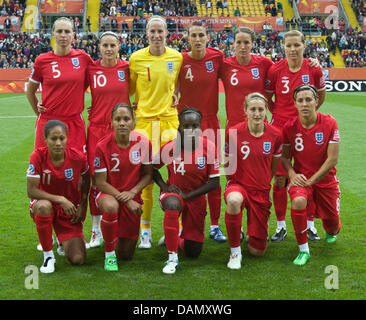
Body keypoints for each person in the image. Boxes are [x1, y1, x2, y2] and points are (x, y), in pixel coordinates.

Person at [265, 30, 326, 242]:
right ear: (283, 47)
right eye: (288, 46)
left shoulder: (313, 69)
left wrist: (306, 115)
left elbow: (320, 96)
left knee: (307, 175)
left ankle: (310, 225)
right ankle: (281, 226)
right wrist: (278, 115)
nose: (292, 49)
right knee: (281, 177)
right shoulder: (275, 70)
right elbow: (267, 97)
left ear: (303, 45)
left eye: (296, 45)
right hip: (281, 127)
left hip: (303, 127)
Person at [129, 16, 183, 249]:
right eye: (153, 31)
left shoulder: (177, 57)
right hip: (144, 123)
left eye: (161, 31)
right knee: (146, 178)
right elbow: (128, 89)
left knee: (176, 173)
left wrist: (177, 93)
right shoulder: (136, 58)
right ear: (147, 33)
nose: (157, 35)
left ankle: (177, 228)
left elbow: (179, 82)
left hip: (169, 122)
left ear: (167, 33)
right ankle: (146, 231)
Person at [153, 107, 220, 274]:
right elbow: (150, 168)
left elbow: (215, 182)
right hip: (173, 194)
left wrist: (188, 195)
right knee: (173, 203)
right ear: (179, 127)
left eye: (195, 126)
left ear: (201, 127)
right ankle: (172, 259)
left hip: (195, 198)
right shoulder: (170, 147)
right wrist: (164, 186)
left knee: (193, 252)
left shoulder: (209, 147)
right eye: (186, 126)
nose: (191, 130)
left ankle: (174, 236)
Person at [177, 21, 226, 242]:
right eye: (193, 35)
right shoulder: (179, 61)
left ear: (208, 37)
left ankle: (215, 226)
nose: (197, 39)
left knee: (214, 176)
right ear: (187, 38)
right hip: (184, 127)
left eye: (201, 35)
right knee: (182, 176)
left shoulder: (217, 57)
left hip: (210, 123)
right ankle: (179, 226)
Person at [282, 85, 341, 266]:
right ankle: (303, 250)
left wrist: (313, 180)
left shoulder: (330, 123)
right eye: (300, 100)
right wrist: (292, 174)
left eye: (308, 99)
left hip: (325, 180)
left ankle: (331, 229)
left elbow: (332, 159)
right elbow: (284, 158)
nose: (305, 104)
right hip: (301, 179)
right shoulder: (289, 127)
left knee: (332, 226)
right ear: (295, 104)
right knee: (298, 201)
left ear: (317, 101)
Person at [224, 93, 282, 269]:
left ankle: (252, 231)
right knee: (234, 200)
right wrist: (234, 181)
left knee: (257, 252)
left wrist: (263, 180)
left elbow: (273, 165)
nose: (257, 113)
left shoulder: (276, 135)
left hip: (261, 191)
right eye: (253, 109)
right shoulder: (233, 133)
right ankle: (235, 252)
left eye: (261, 109)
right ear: (245, 111)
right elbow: (227, 163)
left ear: (266, 111)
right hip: (238, 185)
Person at [94, 103, 153, 271]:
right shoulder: (102, 146)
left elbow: (148, 175)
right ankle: (109, 255)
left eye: (126, 119)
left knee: (126, 254)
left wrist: (133, 192)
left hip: (132, 196)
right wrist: (127, 200)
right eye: (117, 119)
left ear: (133, 122)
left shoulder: (143, 143)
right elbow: (100, 182)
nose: (122, 123)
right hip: (108, 194)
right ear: (111, 122)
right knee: (111, 206)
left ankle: (113, 238)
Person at [26, 120, 90, 273]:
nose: (58, 143)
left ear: (67, 138)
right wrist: (60, 199)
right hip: (45, 205)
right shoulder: (37, 156)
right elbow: (31, 191)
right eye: (53, 138)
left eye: (62, 138)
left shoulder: (78, 158)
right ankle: (48, 256)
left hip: (68, 211)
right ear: (45, 139)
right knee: (43, 206)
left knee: (78, 259)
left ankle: (62, 242)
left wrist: (82, 204)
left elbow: (87, 178)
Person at [86, 31, 130, 248]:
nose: (109, 49)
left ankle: (126, 225)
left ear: (119, 46)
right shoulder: (90, 68)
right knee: (96, 179)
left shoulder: (127, 68)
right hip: (96, 129)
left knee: (122, 176)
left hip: (120, 131)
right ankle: (95, 231)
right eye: (105, 45)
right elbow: (73, 89)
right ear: (99, 48)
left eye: (113, 45)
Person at [26, 17, 93, 153]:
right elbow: (30, 91)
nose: (63, 35)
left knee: (78, 168)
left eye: (67, 31)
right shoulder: (42, 60)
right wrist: (39, 114)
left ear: (73, 35)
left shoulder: (83, 58)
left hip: (74, 123)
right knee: (44, 168)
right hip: (48, 122)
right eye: (59, 31)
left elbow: (99, 81)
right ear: (53, 34)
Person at [220, 27, 274, 131]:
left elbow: (283, 70)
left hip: (258, 124)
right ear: (233, 44)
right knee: (232, 148)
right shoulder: (225, 65)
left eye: (246, 42)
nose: (242, 47)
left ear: (253, 44)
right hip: (234, 126)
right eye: (238, 42)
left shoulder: (263, 62)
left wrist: (312, 62)